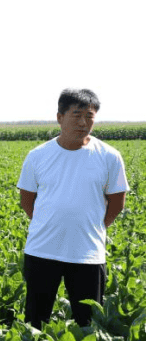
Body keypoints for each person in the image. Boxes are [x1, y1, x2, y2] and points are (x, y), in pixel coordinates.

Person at [17, 88, 127, 327]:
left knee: (87, 322)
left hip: (87, 252)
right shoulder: (38, 156)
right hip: (42, 250)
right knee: (35, 321)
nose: (83, 122)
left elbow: (117, 202)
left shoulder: (109, 156)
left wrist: (93, 225)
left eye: (89, 116)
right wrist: (49, 223)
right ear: (60, 117)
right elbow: (27, 199)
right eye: (76, 115)